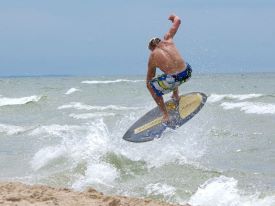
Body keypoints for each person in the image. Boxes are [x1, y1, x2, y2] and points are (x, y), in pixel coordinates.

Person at [146, 14, 192, 122]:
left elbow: (150, 78)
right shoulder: (168, 39)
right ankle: (176, 95)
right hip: (187, 72)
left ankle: (166, 115)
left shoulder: (153, 56)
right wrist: (173, 17)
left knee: (150, 85)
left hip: (175, 79)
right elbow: (178, 21)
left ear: (151, 48)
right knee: (171, 73)